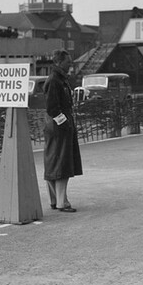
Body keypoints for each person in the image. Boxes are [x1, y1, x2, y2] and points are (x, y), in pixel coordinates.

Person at [43, 49, 83, 212]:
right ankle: (62, 202)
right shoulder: (56, 80)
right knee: (62, 164)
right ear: (59, 62)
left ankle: (54, 200)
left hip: (54, 127)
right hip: (59, 129)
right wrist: (65, 124)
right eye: (68, 62)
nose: (70, 64)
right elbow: (53, 108)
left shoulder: (57, 79)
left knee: (53, 162)